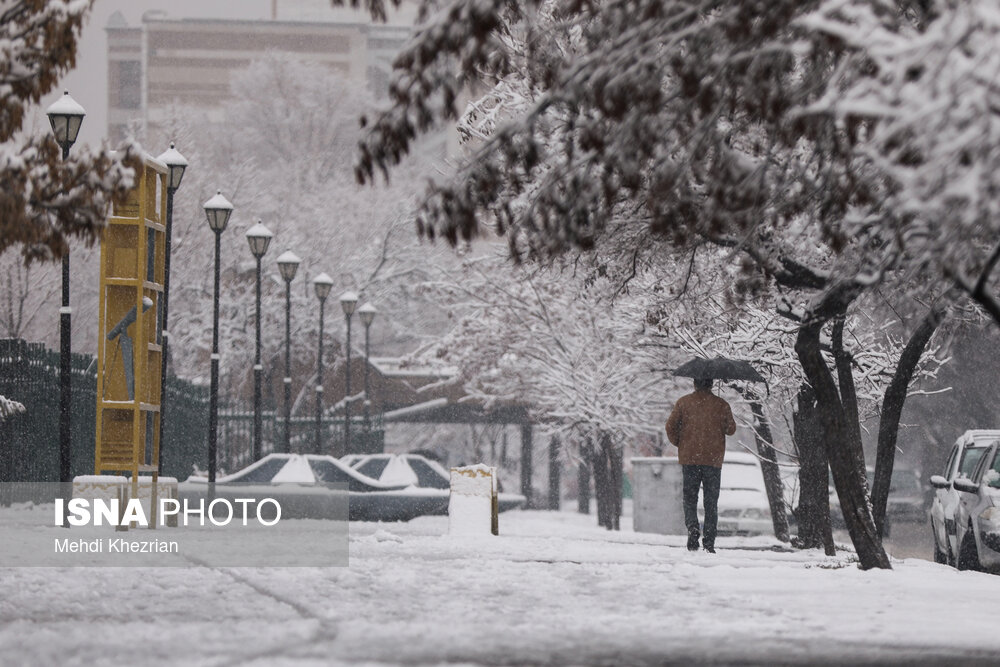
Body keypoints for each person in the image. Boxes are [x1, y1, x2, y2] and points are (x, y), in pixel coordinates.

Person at [664, 377, 737, 553]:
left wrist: (680, 443)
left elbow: (670, 426)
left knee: (690, 498)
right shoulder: (721, 404)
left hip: (690, 459)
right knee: (711, 502)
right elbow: (731, 429)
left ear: (695, 383)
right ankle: (709, 541)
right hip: (713, 460)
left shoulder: (683, 403)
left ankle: (693, 528)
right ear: (711, 384)